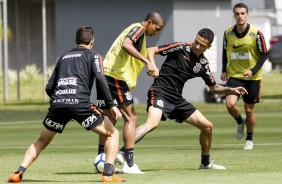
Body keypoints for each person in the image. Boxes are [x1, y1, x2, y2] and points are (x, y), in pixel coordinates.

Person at [8, 26, 125, 183]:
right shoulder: (94, 56)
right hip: (80, 104)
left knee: (41, 141)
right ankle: (107, 175)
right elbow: (100, 78)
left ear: (76, 41)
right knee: (113, 134)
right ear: (92, 41)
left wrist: (60, 103)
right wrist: (111, 105)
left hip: (58, 104)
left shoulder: (63, 57)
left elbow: (49, 87)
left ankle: (18, 172)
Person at [118, 28, 247, 169]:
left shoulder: (203, 64)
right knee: (152, 123)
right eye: (196, 41)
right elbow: (151, 50)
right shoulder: (180, 47)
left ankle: (205, 163)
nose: (196, 46)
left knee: (207, 126)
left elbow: (214, 88)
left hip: (176, 99)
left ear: (208, 47)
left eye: (201, 45)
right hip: (160, 90)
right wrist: (153, 65)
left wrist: (230, 90)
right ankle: (123, 151)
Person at [96, 11, 165, 174]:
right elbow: (126, 45)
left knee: (109, 119)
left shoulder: (137, 32)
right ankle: (129, 163)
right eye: (157, 28)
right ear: (149, 22)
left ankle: (101, 160)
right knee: (131, 118)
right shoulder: (138, 29)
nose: (157, 32)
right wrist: (148, 61)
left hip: (105, 75)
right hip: (115, 77)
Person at [220, 3, 268, 150]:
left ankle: (249, 139)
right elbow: (224, 52)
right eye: (237, 14)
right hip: (235, 75)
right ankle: (240, 121)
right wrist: (224, 70)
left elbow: (264, 54)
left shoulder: (256, 33)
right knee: (230, 104)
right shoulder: (227, 33)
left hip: (252, 78)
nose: (240, 16)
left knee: (249, 109)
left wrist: (253, 71)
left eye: (242, 13)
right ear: (234, 15)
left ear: (247, 15)